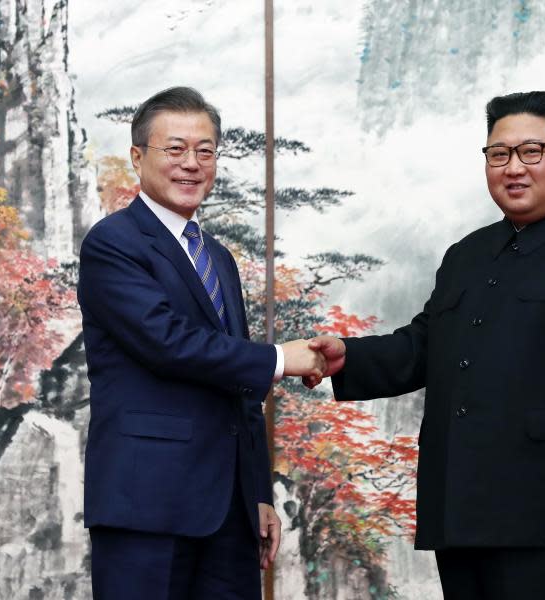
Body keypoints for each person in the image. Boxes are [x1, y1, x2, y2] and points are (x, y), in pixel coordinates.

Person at [306, 91, 545, 599]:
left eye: (532, 152)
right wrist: (349, 355)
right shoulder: (466, 255)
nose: (513, 168)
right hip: (463, 511)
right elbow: (425, 345)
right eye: (499, 154)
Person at [78, 86, 325, 600]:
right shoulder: (113, 243)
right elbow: (167, 342)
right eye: (175, 149)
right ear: (138, 157)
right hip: (147, 504)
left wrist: (256, 492)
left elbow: (238, 388)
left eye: (205, 151)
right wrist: (281, 359)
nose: (192, 164)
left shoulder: (218, 257)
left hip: (229, 514)